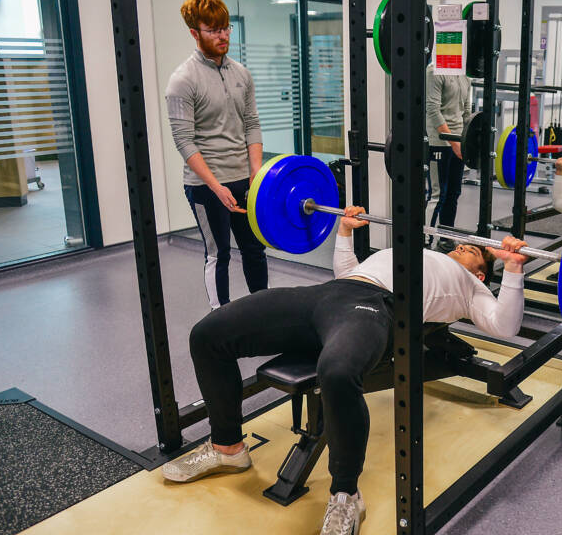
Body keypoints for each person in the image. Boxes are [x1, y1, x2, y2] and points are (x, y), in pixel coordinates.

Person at [161, 206, 529, 535]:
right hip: (326, 294)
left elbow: (504, 325)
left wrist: (512, 268)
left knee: (336, 373)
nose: (463, 248)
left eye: (475, 253)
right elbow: (349, 272)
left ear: (481, 275)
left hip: (374, 307)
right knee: (208, 334)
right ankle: (228, 447)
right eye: (462, 245)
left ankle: (346, 494)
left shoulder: (471, 289)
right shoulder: (412, 250)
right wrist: (346, 231)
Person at [166, 0, 267, 309]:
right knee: (218, 253)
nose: (223, 36)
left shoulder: (242, 74)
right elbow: (184, 142)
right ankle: (219, 320)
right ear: (195, 33)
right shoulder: (182, 81)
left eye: (226, 28)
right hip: (206, 186)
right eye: (213, 30)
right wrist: (215, 186)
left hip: (243, 179)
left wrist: (256, 174)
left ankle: (264, 313)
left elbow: (251, 124)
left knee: (254, 249)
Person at [426, 64, 472, 229]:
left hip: (459, 141)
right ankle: (426, 242)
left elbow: (466, 112)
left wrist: (467, 141)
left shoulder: (465, 75)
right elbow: (432, 110)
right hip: (439, 141)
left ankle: (446, 238)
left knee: (454, 193)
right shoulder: (434, 71)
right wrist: (454, 143)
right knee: (438, 195)